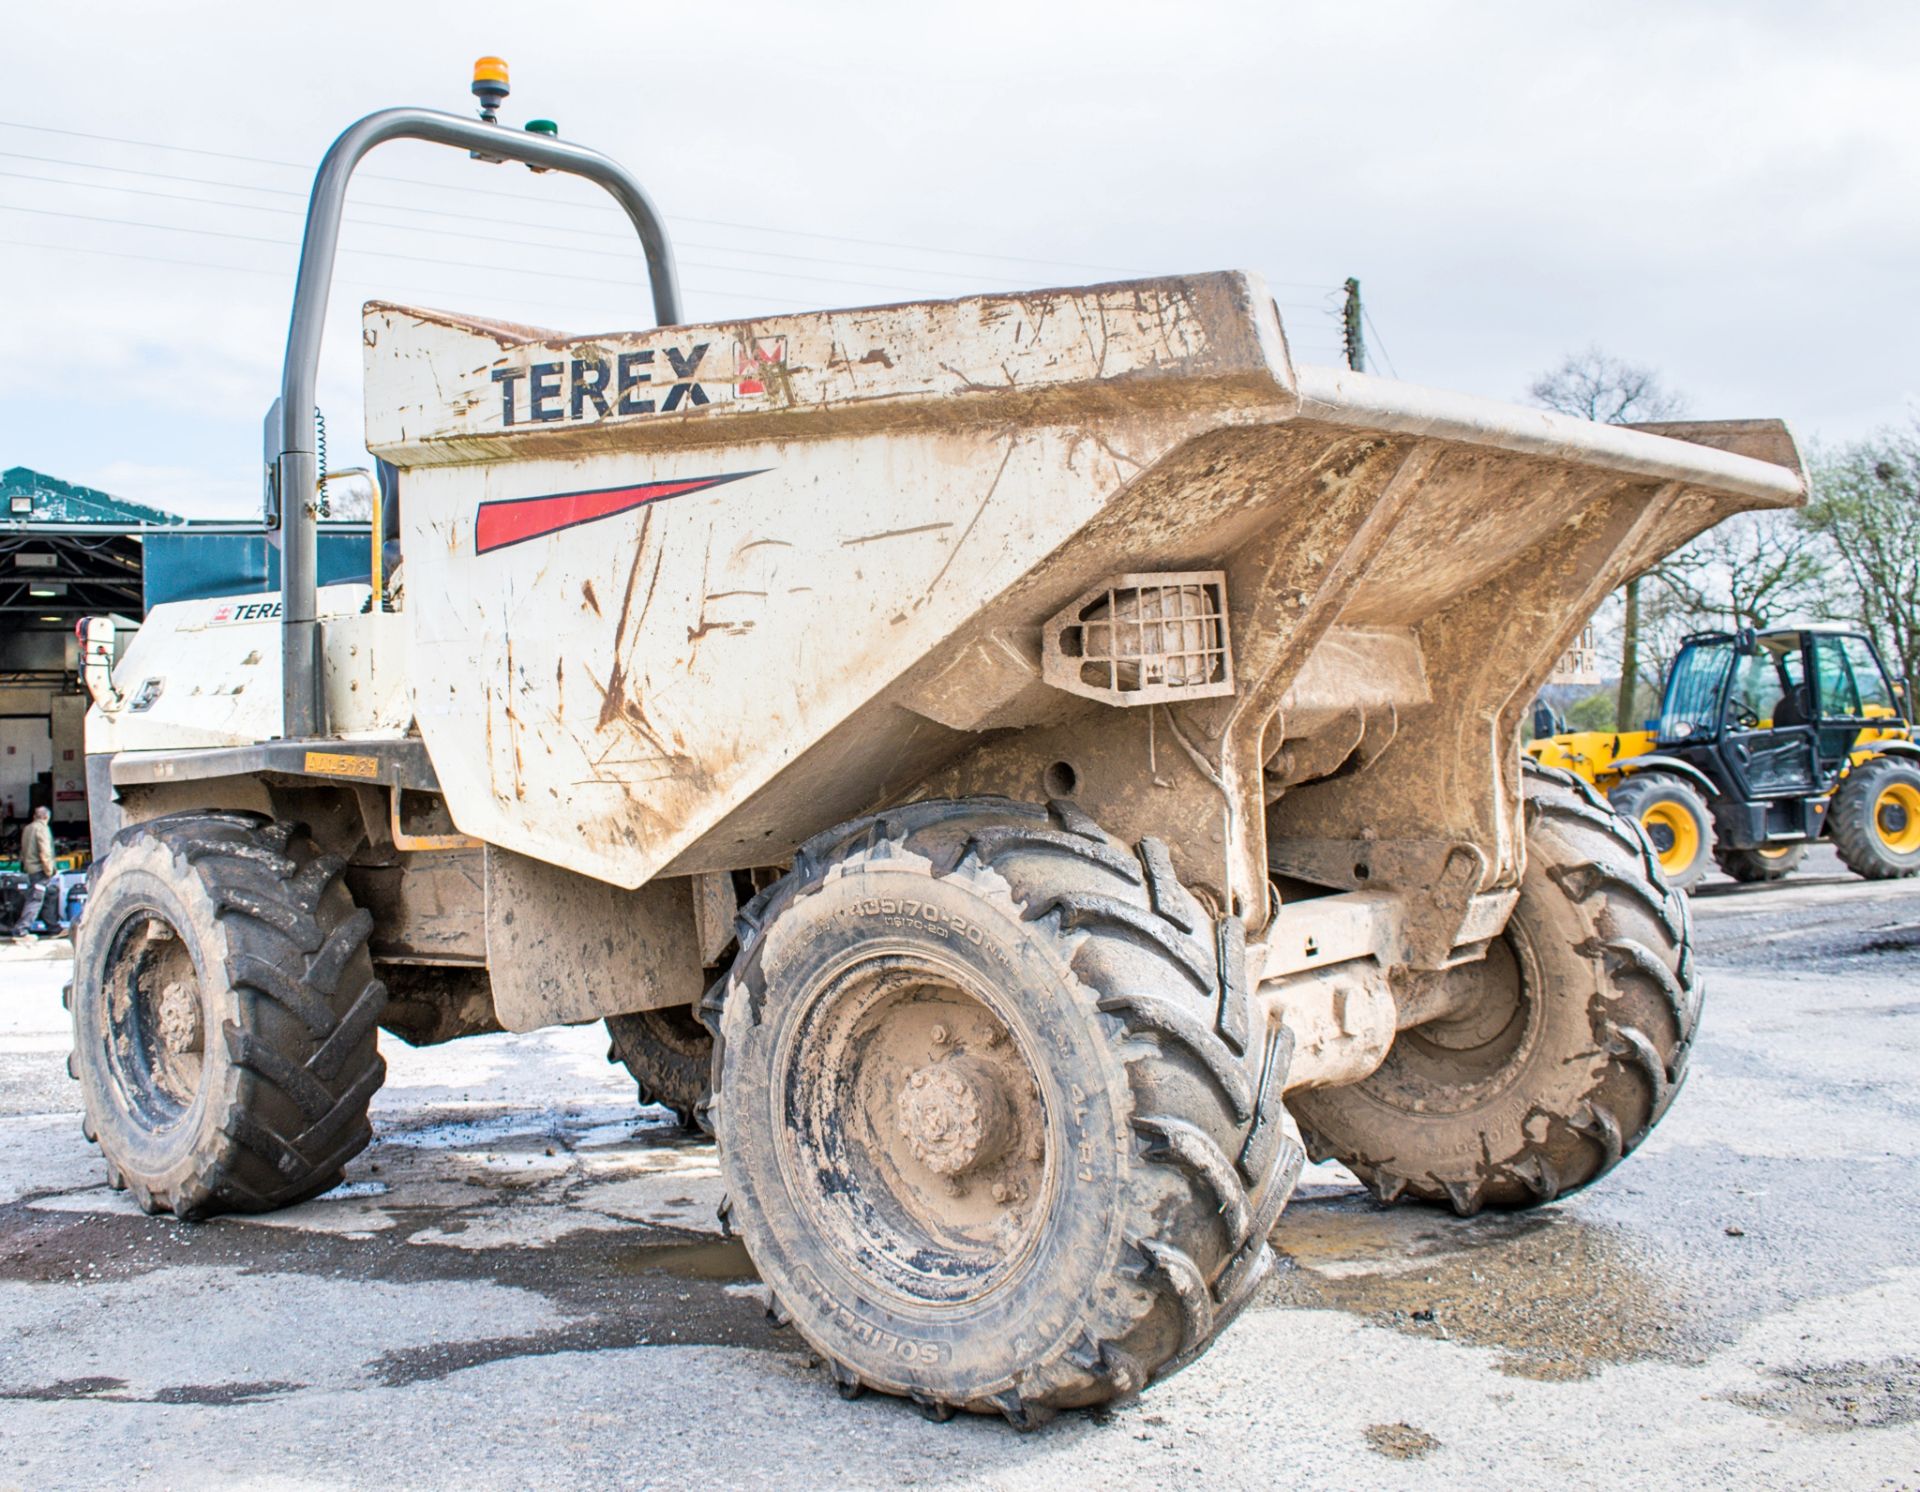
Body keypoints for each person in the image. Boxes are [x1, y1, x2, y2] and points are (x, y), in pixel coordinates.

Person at [9, 807, 57, 940]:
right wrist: (49, 870)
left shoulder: (28, 828)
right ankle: (21, 930)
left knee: (50, 893)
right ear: (46, 817)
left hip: (30, 868)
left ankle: (53, 927)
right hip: (39, 870)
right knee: (35, 899)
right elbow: (45, 851)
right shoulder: (42, 829)